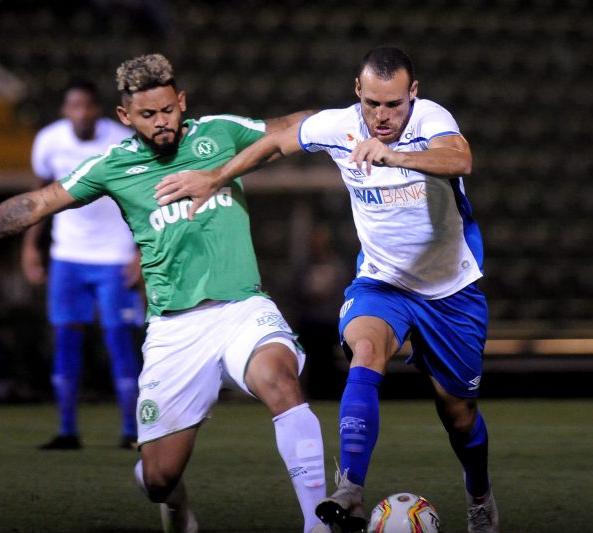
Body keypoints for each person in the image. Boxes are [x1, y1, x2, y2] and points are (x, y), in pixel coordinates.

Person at [0, 53, 329, 533]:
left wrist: (362, 118)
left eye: (167, 110)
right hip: (175, 328)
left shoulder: (218, 133)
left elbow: (290, 127)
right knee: (158, 478)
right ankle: (176, 503)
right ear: (124, 117)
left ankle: (317, 523)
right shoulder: (112, 166)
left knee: (282, 382)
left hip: (243, 307)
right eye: (147, 115)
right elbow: (35, 204)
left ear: (181, 102)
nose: (161, 122)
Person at [153, 46, 499, 533]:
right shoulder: (339, 125)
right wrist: (215, 176)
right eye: (372, 103)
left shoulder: (431, 120)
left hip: (451, 291)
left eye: (394, 104)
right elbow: (276, 144)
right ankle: (351, 491)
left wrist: (395, 155)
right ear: (357, 91)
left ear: (413, 94)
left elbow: (460, 158)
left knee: (458, 414)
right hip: (383, 281)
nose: (382, 116)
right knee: (364, 352)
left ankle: (480, 495)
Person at [24, 79, 144, 450]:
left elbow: (143, 196)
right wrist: (31, 246)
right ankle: (67, 430)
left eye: (87, 106)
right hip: (67, 256)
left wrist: (142, 252)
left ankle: (133, 431)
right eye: (74, 107)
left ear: (98, 109)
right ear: (65, 110)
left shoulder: (121, 140)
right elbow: (40, 197)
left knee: (120, 342)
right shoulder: (48, 141)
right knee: (65, 340)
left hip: (115, 256)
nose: (81, 114)